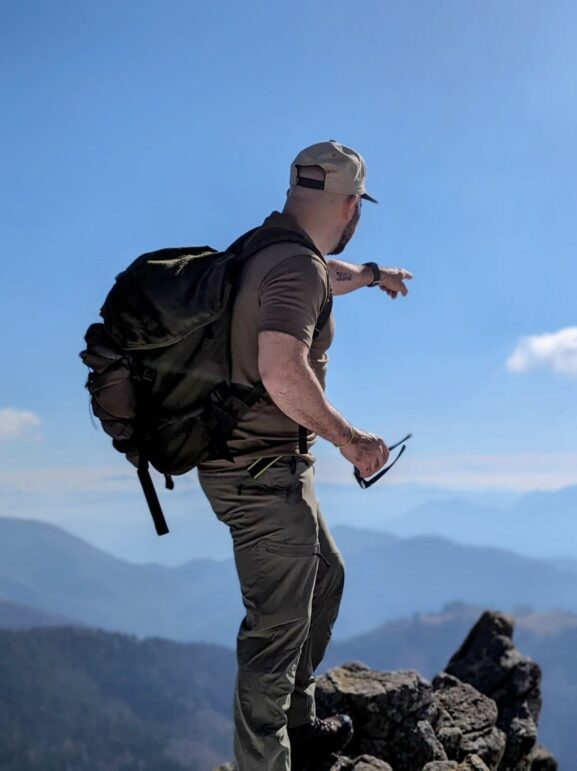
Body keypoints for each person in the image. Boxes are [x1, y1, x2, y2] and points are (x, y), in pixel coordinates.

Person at [196, 141, 413, 771]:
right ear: (350, 205)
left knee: (325, 577)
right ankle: (268, 760)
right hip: (260, 474)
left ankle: (300, 723)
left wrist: (371, 275)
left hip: (261, 465)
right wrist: (351, 440)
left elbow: (323, 277)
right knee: (274, 636)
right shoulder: (295, 267)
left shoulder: (269, 247)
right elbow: (281, 370)